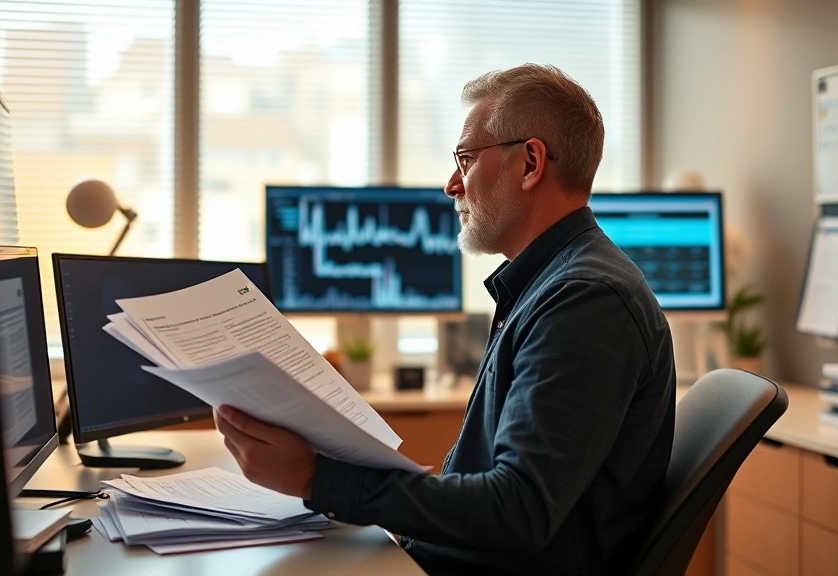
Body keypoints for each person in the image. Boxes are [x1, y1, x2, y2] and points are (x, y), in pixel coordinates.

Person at [214, 63, 676, 575]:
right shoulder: (551, 286)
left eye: (466, 158)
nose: (451, 185)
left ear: (530, 163)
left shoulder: (586, 300)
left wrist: (314, 478)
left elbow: (518, 512)